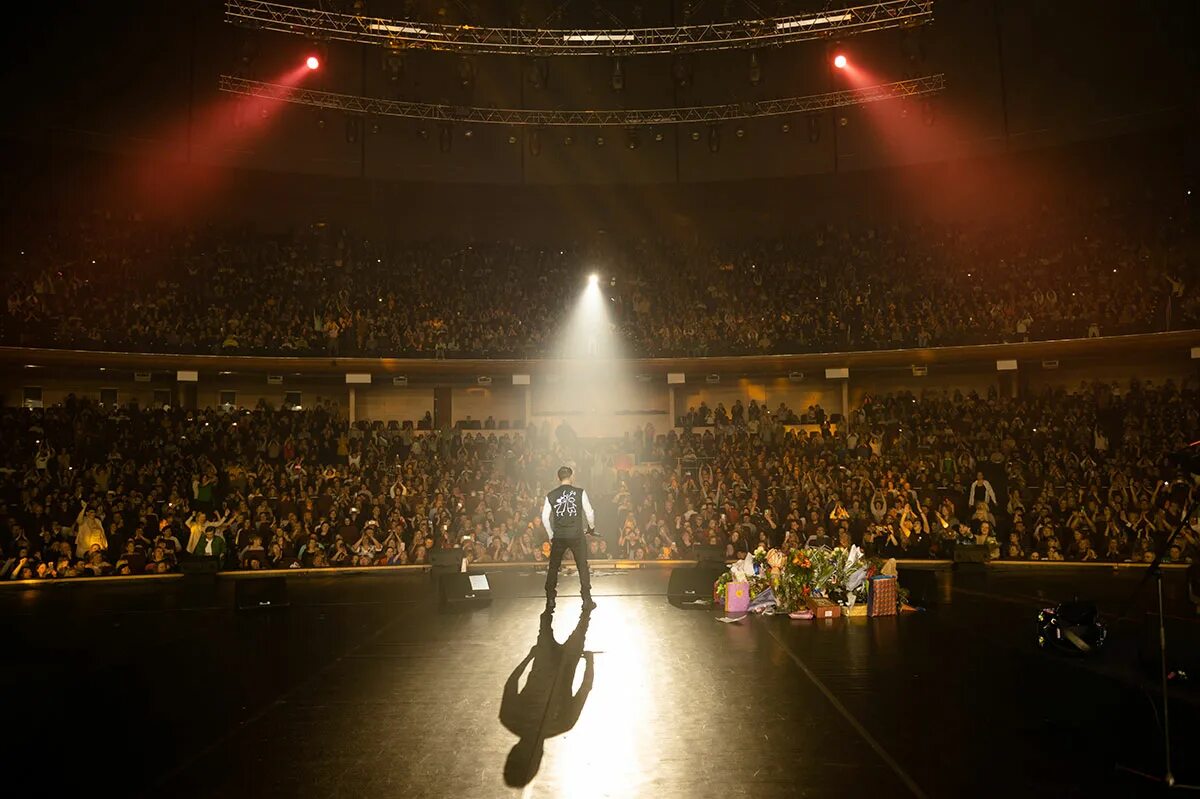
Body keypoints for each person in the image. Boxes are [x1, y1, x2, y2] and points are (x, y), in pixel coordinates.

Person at [541, 466, 596, 611]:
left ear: (558, 478)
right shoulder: (580, 492)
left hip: (559, 535)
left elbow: (544, 518)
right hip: (576, 535)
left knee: (553, 567)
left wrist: (551, 535)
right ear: (571, 476)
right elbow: (589, 513)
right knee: (582, 566)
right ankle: (586, 599)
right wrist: (591, 528)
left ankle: (550, 598)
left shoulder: (551, 495)